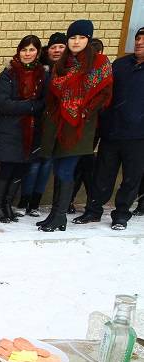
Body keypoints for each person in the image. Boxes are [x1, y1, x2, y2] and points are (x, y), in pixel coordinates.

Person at [36, 20, 112, 232]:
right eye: (73, 37)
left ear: (88, 39)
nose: (76, 41)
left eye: (81, 37)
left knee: (66, 169)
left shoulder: (99, 62)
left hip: (80, 126)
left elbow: (104, 94)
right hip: (59, 124)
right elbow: (55, 92)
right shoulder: (63, 63)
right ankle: (55, 214)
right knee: (59, 168)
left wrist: (83, 110)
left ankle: (60, 215)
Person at [73, 27, 144, 230]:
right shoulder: (120, 65)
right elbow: (103, 92)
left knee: (131, 177)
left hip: (139, 136)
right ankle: (93, 210)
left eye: (143, 40)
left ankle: (121, 214)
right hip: (112, 131)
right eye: (137, 38)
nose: (139, 42)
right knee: (102, 174)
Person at [0, 35, 45, 223]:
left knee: (20, 170)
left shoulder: (41, 75)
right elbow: (3, 103)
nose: (27, 53)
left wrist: (32, 106)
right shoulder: (8, 74)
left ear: (38, 52)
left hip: (30, 132)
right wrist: (30, 106)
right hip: (9, 131)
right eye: (24, 49)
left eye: (32, 50)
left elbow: (45, 102)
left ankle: (7, 205)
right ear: (19, 51)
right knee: (7, 169)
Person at [19, 32, 66, 217]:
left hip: (62, 123)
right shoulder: (42, 70)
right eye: (53, 47)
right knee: (36, 163)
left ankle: (36, 203)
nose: (57, 50)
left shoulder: (70, 68)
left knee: (48, 164)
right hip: (40, 122)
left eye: (61, 47)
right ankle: (25, 201)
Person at [68, 37, 105, 214]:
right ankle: (73, 200)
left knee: (86, 165)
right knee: (80, 165)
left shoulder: (104, 74)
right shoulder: (77, 72)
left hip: (95, 128)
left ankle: (91, 203)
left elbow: (104, 100)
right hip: (78, 126)